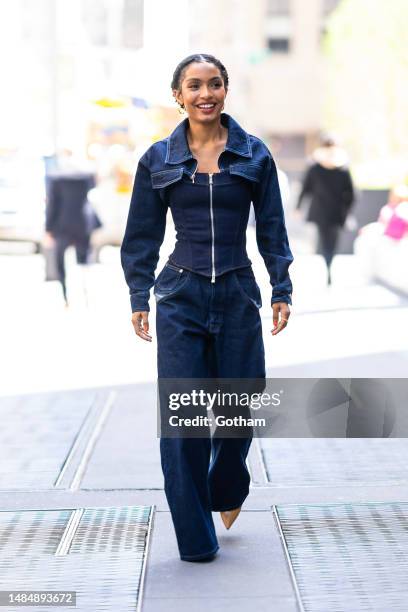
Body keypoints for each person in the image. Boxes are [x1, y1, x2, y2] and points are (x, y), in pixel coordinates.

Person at [120, 54, 294, 562]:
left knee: (242, 406)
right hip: (180, 295)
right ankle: (196, 540)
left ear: (225, 90)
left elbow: (273, 229)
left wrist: (281, 287)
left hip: (238, 291)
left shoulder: (253, 154)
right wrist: (138, 296)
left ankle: (227, 482)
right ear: (178, 95)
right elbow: (142, 235)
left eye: (214, 84)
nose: (205, 93)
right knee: (184, 423)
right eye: (194, 85)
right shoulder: (158, 158)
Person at [295, 134, 355, 285]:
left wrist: (299, 206)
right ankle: (329, 265)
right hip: (332, 212)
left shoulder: (339, 168)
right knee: (329, 241)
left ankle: (328, 265)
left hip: (328, 211)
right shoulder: (322, 168)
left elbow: (351, 193)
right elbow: (351, 194)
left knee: (328, 241)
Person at [45, 151, 100, 306]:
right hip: (83, 224)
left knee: (60, 263)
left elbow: (52, 206)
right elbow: (95, 184)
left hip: (62, 226)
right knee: (84, 262)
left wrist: (48, 229)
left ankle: (66, 298)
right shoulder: (85, 178)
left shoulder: (56, 180)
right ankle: (86, 295)